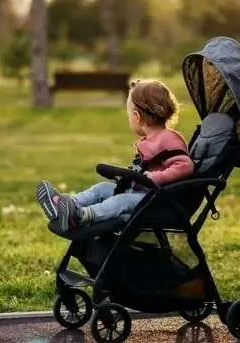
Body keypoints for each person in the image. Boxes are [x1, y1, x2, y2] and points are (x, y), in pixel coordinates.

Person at [37, 79, 195, 237]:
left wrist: (155, 178)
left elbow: (185, 165)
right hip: (141, 194)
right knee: (102, 188)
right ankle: (68, 205)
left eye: (128, 115)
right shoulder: (152, 139)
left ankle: (80, 216)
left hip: (157, 201)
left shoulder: (168, 138)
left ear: (136, 116)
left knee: (120, 201)